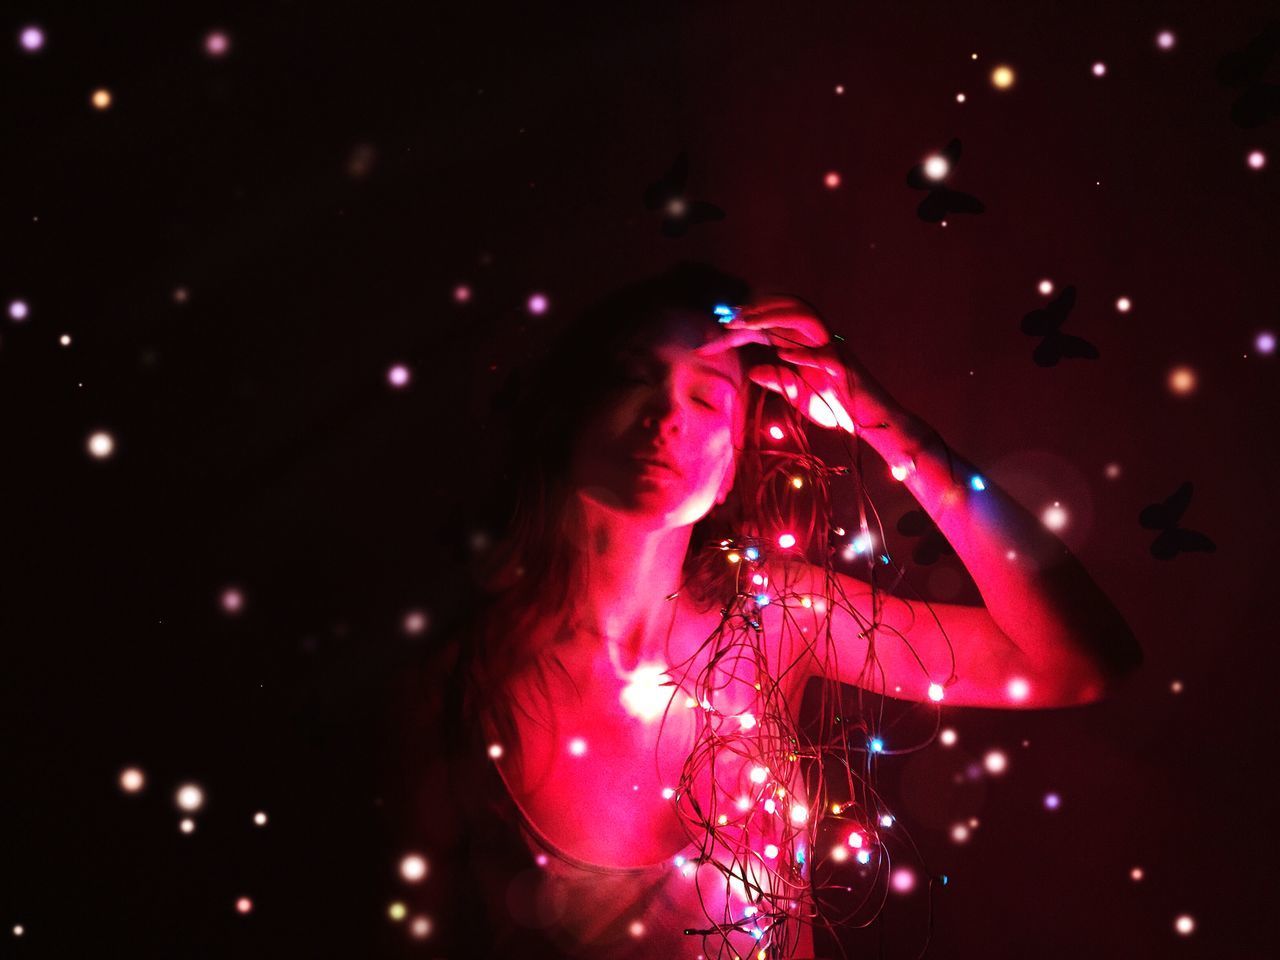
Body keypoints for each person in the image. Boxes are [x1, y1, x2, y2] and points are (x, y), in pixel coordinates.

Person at [388, 261, 1143, 959]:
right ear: (569, 414)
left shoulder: (778, 614)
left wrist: (880, 420)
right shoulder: (460, 687)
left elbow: (1075, 662)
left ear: (730, 466)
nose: (667, 416)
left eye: (707, 396)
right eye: (633, 378)